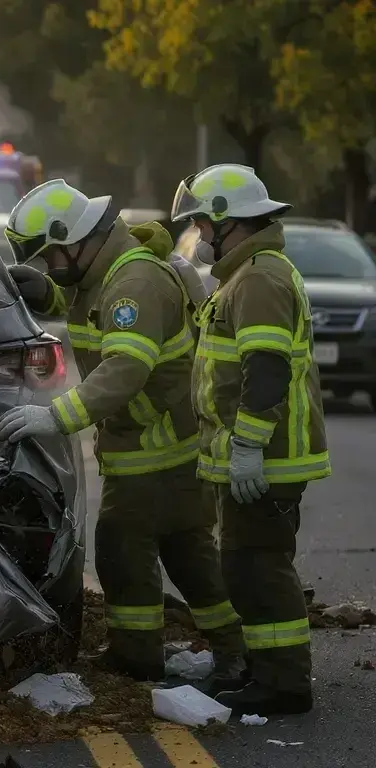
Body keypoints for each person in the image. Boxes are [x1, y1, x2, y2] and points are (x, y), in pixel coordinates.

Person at [0, 179, 245, 685]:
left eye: (51, 257)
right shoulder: (111, 271)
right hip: (162, 443)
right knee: (187, 552)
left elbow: (124, 370)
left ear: (72, 240)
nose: (50, 268)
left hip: (156, 450)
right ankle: (235, 648)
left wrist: (56, 417)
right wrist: (46, 293)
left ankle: (138, 656)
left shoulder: (134, 284)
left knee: (122, 545)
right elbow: (87, 303)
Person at [169, 163, 331, 715]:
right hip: (256, 455)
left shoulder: (259, 278)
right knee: (247, 567)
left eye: (202, 225)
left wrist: (247, 447)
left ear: (228, 222)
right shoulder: (247, 274)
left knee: (259, 568)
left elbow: (265, 371)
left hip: (267, 457)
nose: (199, 236)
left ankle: (284, 683)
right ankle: (267, 671)